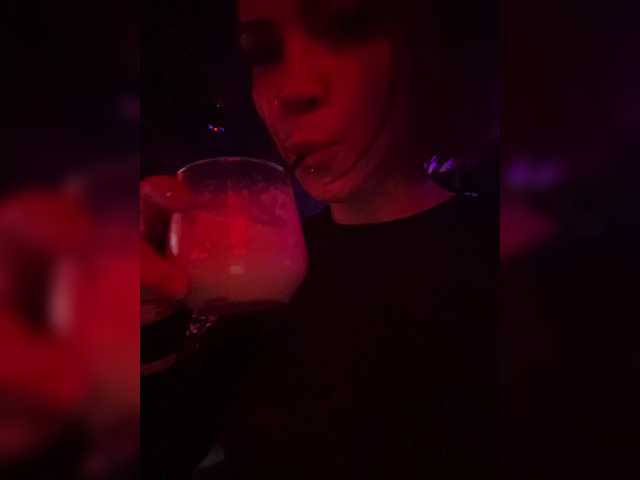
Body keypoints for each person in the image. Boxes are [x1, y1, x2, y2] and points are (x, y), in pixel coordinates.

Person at [141, 0, 498, 478]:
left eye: (347, 27)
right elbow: (170, 450)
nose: (289, 93)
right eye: (262, 53)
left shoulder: (501, 258)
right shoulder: (265, 273)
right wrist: (148, 330)